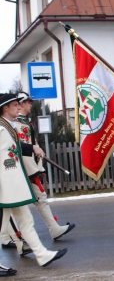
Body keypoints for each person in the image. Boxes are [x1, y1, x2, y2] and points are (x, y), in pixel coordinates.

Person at [0, 93, 67, 267]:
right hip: (3, 187)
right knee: (1, 226)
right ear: (5, 108)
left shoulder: (8, 127)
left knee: (26, 221)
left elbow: (16, 146)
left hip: (13, 186)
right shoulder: (0, 128)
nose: (19, 107)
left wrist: (33, 148)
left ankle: (42, 255)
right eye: (15, 104)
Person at [14, 91, 75, 240]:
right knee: (17, 203)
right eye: (28, 102)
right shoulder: (18, 123)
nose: (31, 104)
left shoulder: (24, 122)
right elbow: (21, 148)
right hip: (24, 168)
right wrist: (34, 169)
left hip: (27, 167)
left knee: (34, 199)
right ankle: (13, 236)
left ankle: (51, 229)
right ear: (21, 103)